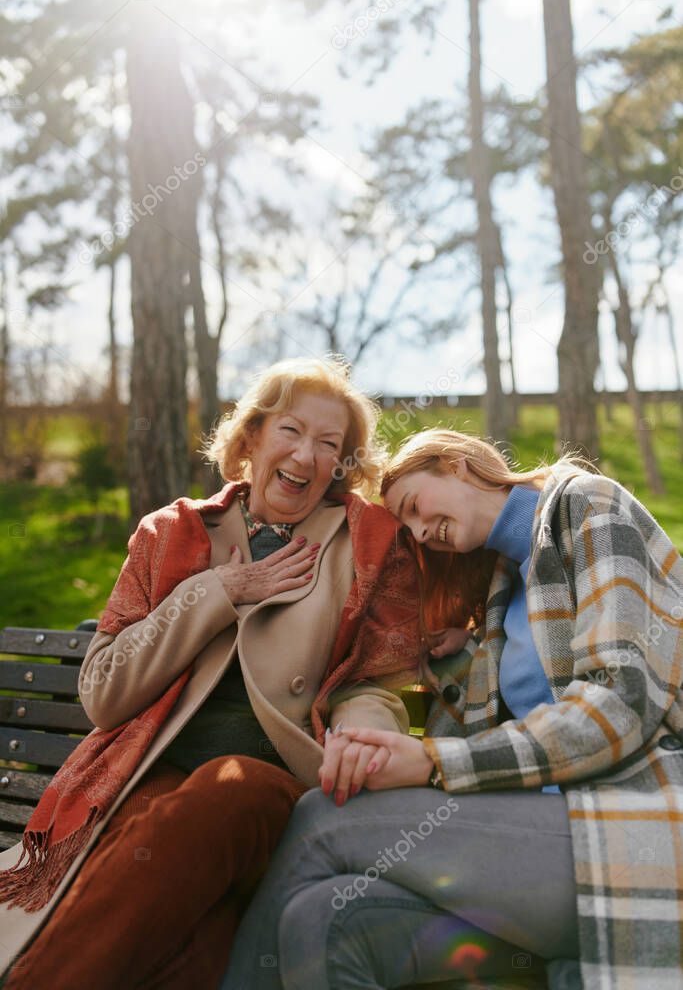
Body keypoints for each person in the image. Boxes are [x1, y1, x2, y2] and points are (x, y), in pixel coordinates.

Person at [0, 358, 422, 990]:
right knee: (190, 935)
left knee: (220, 793)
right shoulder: (171, 534)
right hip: (149, 770)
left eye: (329, 445)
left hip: (277, 784)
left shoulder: (366, 542)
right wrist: (215, 590)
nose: (306, 456)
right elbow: (103, 695)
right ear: (250, 437)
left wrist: (360, 734)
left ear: (342, 465)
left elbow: (376, 681)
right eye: (290, 430)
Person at [222, 428, 683, 990]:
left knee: (324, 818)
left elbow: (620, 704)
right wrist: (426, 678)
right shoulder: (502, 593)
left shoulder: (586, 504)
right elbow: (468, 731)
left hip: (632, 831)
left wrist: (433, 762)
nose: (418, 531)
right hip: (544, 852)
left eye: (415, 506)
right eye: (410, 529)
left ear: (457, 465)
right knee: (323, 921)